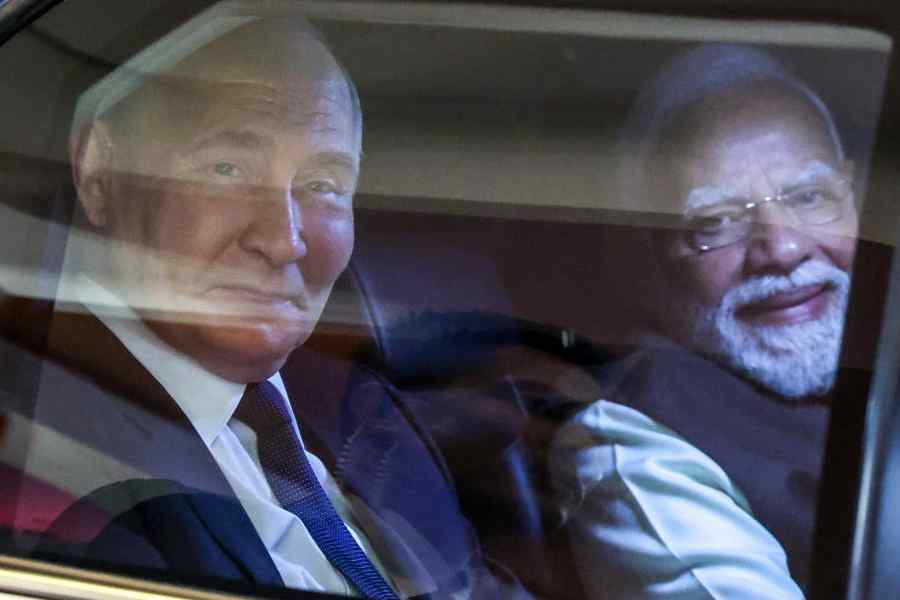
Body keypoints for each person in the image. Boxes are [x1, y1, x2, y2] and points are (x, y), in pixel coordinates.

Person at [4, 4, 526, 599]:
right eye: (227, 168)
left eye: (323, 185)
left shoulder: (360, 404)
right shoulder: (48, 472)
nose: (285, 239)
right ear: (98, 173)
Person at [551, 44, 858, 599]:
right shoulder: (635, 446)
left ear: (855, 197)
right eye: (716, 220)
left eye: (809, 196)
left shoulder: (879, 340)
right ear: (646, 255)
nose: (783, 247)